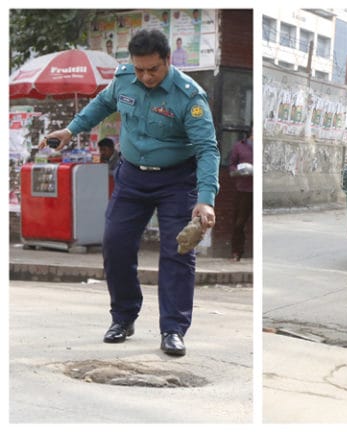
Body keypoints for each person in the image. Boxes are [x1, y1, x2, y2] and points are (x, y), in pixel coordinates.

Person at [40, 29, 219, 357]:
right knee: (115, 244)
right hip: (132, 178)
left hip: (177, 181)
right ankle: (123, 317)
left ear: (167, 60)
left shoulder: (189, 96)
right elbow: (102, 104)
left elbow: (207, 149)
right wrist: (70, 130)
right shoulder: (123, 79)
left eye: (153, 69)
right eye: (139, 69)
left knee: (177, 252)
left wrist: (205, 199)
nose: (146, 76)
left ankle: (174, 329)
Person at [228, 126, 253, 262]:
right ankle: (236, 252)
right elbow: (231, 165)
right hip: (243, 188)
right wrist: (239, 171)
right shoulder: (239, 147)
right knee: (239, 223)